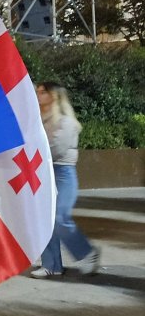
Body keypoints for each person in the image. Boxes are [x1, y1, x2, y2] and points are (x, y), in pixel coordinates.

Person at [31, 82, 100, 278]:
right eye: (37, 91)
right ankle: (51, 265)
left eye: (42, 92)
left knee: (60, 218)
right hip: (44, 172)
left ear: (54, 96)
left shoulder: (66, 122)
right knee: (46, 221)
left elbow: (56, 150)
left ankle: (87, 253)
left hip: (63, 174)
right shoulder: (37, 120)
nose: (38, 95)